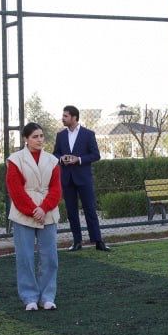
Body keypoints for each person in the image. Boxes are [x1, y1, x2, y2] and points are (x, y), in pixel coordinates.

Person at [6, 122, 62, 311]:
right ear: (26, 140)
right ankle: (29, 297)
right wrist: (32, 210)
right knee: (25, 257)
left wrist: (44, 208)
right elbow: (15, 190)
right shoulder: (15, 160)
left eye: (41, 136)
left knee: (50, 257)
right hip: (23, 214)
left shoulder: (52, 160)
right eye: (35, 137)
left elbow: (56, 188)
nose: (39, 140)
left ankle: (47, 296)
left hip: (47, 212)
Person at [53, 105, 111, 252]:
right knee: (71, 212)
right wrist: (62, 159)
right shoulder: (60, 135)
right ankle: (77, 242)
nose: (63, 118)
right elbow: (55, 154)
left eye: (65, 116)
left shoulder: (88, 134)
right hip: (67, 179)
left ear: (74, 118)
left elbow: (95, 155)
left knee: (90, 210)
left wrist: (78, 159)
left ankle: (98, 241)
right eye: (63, 115)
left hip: (84, 179)